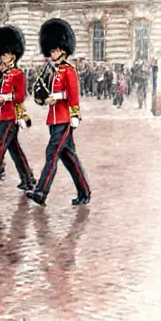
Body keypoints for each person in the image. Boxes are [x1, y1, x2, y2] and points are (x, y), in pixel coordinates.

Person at [27, 18, 92, 207]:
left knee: (51, 153)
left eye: (55, 50)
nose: (52, 53)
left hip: (64, 118)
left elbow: (73, 95)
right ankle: (84, 192)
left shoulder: (68, 70)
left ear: (62, 50)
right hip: (54, 118)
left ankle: (41, 192)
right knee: (69, 157)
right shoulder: (54, 70)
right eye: (51, 50)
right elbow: (44, 92)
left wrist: (74, 115)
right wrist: (45, 99)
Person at [0, 26, 36, 197]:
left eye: (6, 54)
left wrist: (5, 98)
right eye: (1, 54)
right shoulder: (1, 72)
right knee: (13, 148)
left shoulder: (18, 73)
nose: (2, 57)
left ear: (13, 54)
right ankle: (28, 179)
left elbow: (20, 96)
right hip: (3, 113)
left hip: (12, 115)